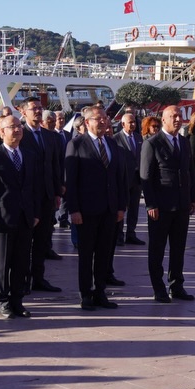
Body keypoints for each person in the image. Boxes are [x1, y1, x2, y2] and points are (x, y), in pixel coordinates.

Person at [64, 103, 128, 311]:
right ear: (87, 122)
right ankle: (86, 294)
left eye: (105, 118)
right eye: (98, 118)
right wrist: (73, 210)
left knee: (104, 253)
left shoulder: (112, 145)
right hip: (86, 210)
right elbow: (71, 181)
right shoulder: (77, 144)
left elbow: (119, 178)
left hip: (109, 210)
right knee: (86, 255)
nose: (103, 121)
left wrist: (120, 207)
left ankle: (100, 292)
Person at [0, 112, 43, 319]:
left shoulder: (30, 155)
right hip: (2, 218)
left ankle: (17, 300)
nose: (17, 130)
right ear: (1, 131)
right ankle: (3, 301)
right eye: (12, 127)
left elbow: (34, 187)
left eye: (19, 126)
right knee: (3, 262)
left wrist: (35, 213)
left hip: (25, 217)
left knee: (21, 262)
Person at [141, 103, 195, 302]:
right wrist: (151, 204)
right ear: (163, 119)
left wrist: (193, 198)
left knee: (178, 248)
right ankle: (158, 288)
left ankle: (177, 285)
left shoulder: (183, 142)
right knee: (157, 249)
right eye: (173, 116)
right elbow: (146, 177)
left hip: (182, 206)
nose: (177, 119)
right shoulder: (152, 143)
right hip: (161, 206)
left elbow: (189, 172)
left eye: (179, 116)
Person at [18, 99, 65, 290]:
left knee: (42, 240)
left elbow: (55, 165)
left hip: (46, 195)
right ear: (23, 113)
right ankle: (22, 279)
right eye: (33, 109)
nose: (37, 111)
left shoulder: (50, 136)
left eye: (40, 108)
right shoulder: (20, 133)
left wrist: (57, 190)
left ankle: (38, 277)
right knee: (24, 241)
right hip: (27, 195)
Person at [114, 108, 146, 243]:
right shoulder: (116, 139)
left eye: (134, 122)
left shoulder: (139, 138)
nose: (133, 124)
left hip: (136, 179)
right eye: (130, 122)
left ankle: (131, 234)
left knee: (134, 208)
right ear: (123, 124)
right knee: (121, 207)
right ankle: (119, 235)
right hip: (123, 180)